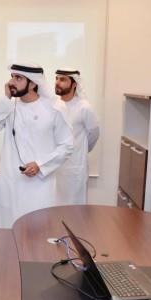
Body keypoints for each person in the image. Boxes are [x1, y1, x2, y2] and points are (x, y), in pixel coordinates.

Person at [0, 63, 73, 242]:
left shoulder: (54, 108)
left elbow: (67, 145)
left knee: (36, 234)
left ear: (32, 83)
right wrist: (5, 99)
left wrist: (41, 165)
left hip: (38, 184)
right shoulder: (9, 107)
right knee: (7, 230)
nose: (12, 82)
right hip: (10, 182)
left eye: (18, 78)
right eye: (12, 77)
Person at [53, 69, 100, 204]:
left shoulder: (84, 107)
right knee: (52, 207)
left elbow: (94, 134)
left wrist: (81, 150)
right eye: (57, 78)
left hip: (74, 168)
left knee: (73, 208)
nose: (57, 82)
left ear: (74, 84)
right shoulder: (53, 105)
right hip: (53, 167)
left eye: (63, 79)